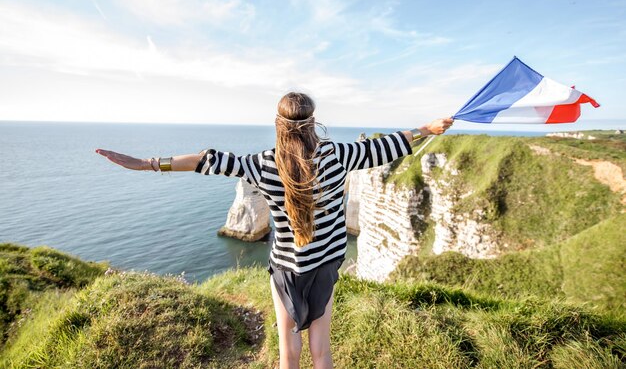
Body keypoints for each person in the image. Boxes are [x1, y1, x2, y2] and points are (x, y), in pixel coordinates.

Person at [95, 91, 453, 369]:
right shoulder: (337, 155)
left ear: (278, 124)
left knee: (288, 352)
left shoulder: (263, 164)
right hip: (324, 267)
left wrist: (147, 164)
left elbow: (206, 158)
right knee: (321, 350)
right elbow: (385, 147)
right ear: (313, 122)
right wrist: (427, 129)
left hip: (286, 269)